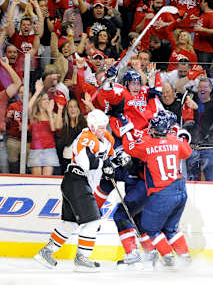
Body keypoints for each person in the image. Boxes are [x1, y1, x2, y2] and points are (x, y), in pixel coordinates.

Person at [34, 109, 115, 272]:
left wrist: (115, 162)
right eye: (100, 127)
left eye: (105, 126)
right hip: (77, 181)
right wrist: (104, 165)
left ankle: (46, 252)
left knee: (70, 224)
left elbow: (108, 158)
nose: (103, 130)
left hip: (76, 183)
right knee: (93, 222)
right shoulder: (84, 138)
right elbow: (86, 164)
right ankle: (82, 259)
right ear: (92, 126)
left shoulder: (105, 138)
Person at [121, 111, 193, 268]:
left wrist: (126, 130)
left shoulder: (147, 145)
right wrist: (181, 136)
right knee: (171, 228)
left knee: (150, 227)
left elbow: (129, 147)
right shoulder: (175, 140)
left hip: (163, 192)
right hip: (180, 188)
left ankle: (168, 257)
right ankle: (185, 257)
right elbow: (187, 151)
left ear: (154, 130)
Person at [28, 80, 62, 176]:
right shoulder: (34, 116)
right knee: (36, 181)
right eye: (44, 99)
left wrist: (50, 113)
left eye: (48, 99)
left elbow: (53, 129)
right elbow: (28, 107)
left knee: (47, 179)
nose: (47, 101)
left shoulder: (53, 115)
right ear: (38, 102)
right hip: (35, 150)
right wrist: (37, 92)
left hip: (49, 149)